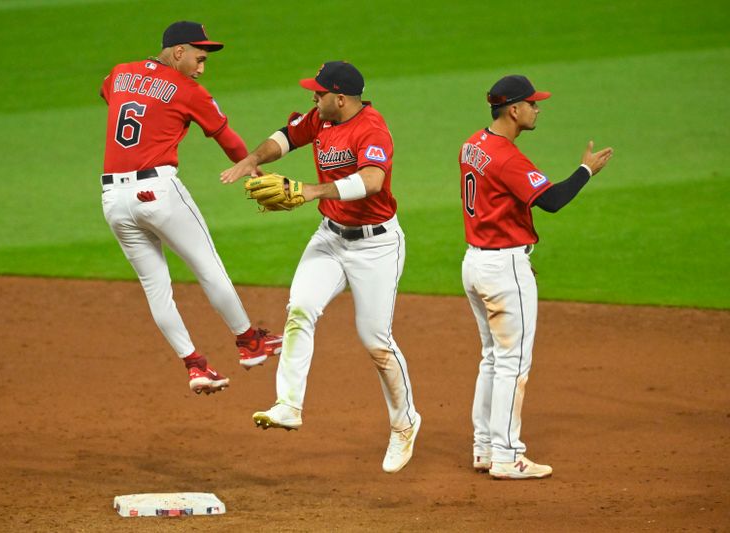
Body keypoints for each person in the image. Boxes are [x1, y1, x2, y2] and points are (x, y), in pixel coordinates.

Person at [220, 61, 421, 473]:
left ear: (341, 98)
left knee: (375, 340)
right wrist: (252, 158)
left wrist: (311, 190)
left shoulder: (372, 130)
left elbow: (371, 182)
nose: (312, 98)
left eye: (319, 92)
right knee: (300, 308)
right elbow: (286, 136)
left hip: (376, 246)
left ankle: (405, 424)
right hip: (330, 238)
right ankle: (288, 405)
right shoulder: (320, 118)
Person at [99, 21, 282, 395]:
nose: (201, 68)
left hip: (113, 200)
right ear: (178, 52)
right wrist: (252, 170)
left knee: (156, 289)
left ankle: (195, 365)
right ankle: (249, 343)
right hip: (158, 191)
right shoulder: (188, 89)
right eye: (199, 58)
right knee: (208, 266)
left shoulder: (119, 74)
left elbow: (112, 95)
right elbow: (225, 136)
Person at [459, 75, 613, 479]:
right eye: (532, 103)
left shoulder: (472, 144)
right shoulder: (508, 158)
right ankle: (507, 457)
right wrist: (585, 170)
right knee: (513, 362)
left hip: (476, 261)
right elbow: (553, 201)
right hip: (502, 266)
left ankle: (485, 448)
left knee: (492, 359)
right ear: (514, 110)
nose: (537, 109)